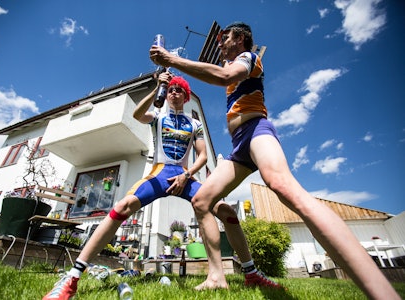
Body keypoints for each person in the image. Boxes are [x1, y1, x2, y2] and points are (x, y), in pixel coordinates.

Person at [149, 22, 400, 299]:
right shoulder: (231, 66)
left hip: (257, 131)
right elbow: (216, 73)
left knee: (282, 186)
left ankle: (383, 293)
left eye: (225, 38)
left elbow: (222, 75)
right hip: (239, 149)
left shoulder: (248, 58)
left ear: (242, 39)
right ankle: (221, 276)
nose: (220, 44)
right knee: (202, 200)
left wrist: (172, 58)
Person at [42, 73, 279, 300]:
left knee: (226, 211)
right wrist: (157, 88)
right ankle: (72, 277)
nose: (174, 92)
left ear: (186, 97)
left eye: (179, 90)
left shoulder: (194, 124)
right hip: (159, 173)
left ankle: (252, 274)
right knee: (122, 206)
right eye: (172, 89)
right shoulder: (158, 116)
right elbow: (136, 114)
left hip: (185, 176)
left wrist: (186, 175)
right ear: (167, 94)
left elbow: (203, 156)